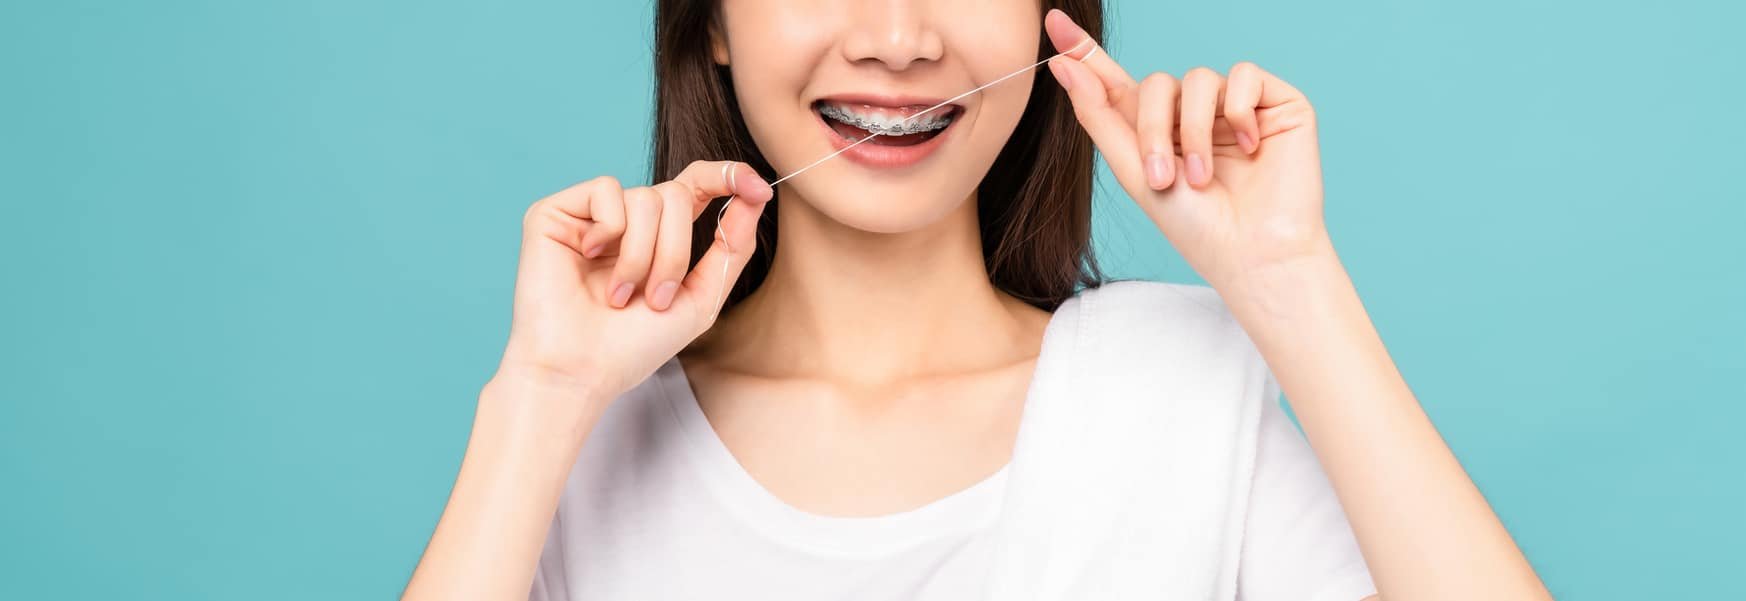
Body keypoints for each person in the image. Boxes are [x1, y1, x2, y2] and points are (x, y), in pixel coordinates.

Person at [402, 2, 1552, 600]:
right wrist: (538, 398)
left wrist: (1291, 283)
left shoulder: (1174, 392)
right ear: (710, 17)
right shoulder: (584, 443)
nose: (899, 39)